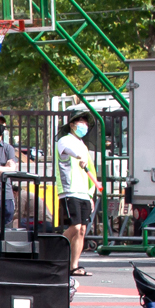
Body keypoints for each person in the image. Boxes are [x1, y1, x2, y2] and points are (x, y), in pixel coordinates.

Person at [56, 111, 99, 276]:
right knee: (74, 226)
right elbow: (68, 150)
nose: (84, 126)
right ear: (72, 124)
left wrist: (90, 194)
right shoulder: (64, 140)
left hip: (83, 192)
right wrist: (79, 156)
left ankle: (74, 266)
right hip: (69, 190)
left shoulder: (84, 146)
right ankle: (55, 250)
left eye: (85, 123)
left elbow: (91, 172)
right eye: (80, 122)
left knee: (82, 229)